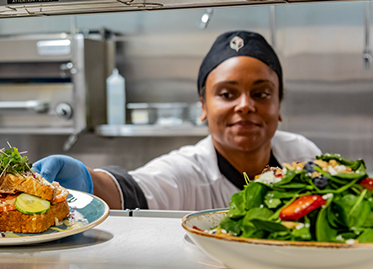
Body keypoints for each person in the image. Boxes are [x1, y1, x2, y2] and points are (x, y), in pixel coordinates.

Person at [32, 30, 321, 211]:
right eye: (226, 93)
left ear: (279, 103)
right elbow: (137, 189)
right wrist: (88, 180)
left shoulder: (303, 155)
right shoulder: (187, 173)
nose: (245, 105)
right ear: (203, 106)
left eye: (260, 93)